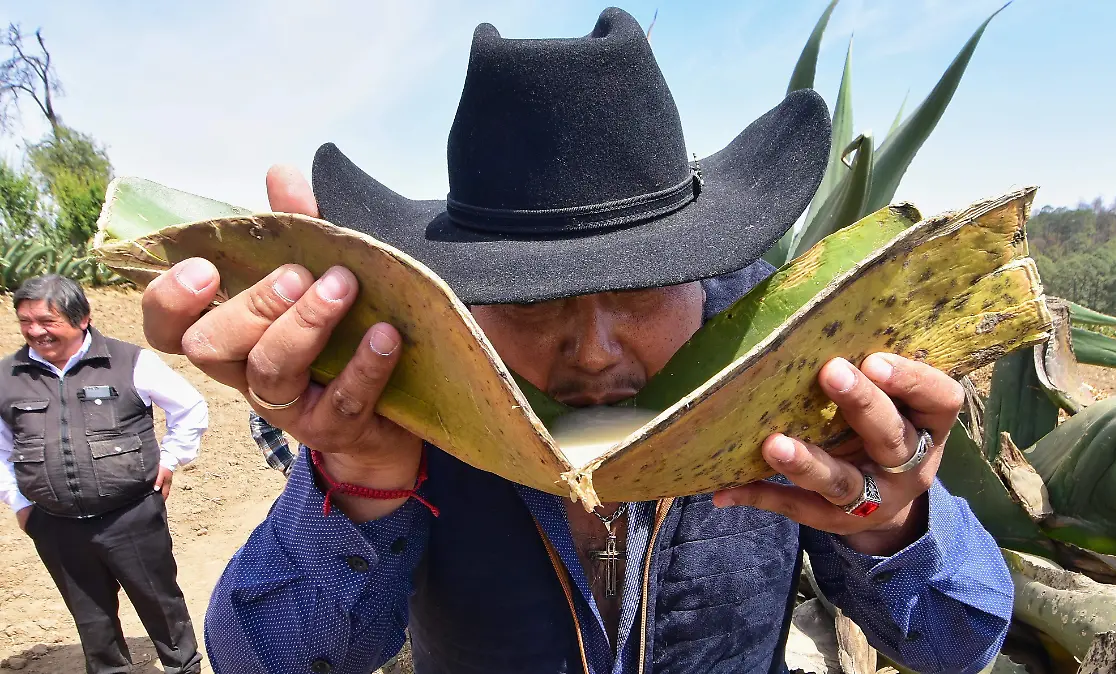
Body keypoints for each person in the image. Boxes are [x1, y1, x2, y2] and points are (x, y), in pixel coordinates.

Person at [144, 9, 1013, 674]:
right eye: (532, 302)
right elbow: (265, 654)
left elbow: (959, 640)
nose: (594, 352)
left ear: (704, 270)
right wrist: (362, 486)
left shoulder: (789, 364)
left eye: (639, 293)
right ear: (470, 296)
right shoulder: (415, 386)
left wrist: (891, 525)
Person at [0, 274, 208, 674]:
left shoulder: (129, 361)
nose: (35, 331)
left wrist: (170, 460)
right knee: (92, 619)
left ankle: (183, 667)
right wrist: (21, 501)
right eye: (25, 321)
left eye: (47, 321)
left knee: (161, 603)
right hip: (55, 523)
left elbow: (190, 407)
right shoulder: (8, 376)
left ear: (82, 319)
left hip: (131, 515)